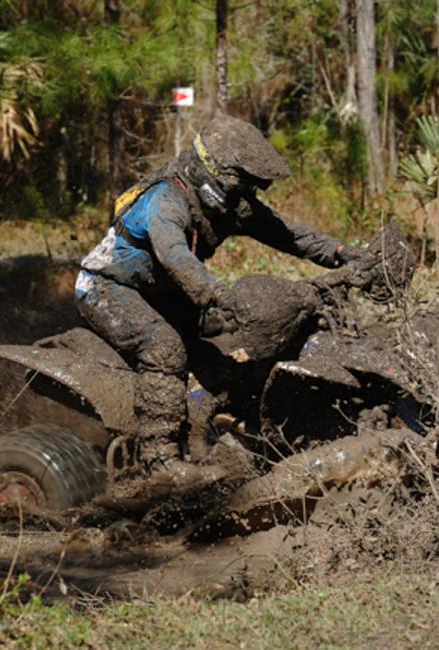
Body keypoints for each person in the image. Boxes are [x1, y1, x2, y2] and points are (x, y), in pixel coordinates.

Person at [74, 113, 363, 501]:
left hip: (163, 292)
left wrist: (344, 253)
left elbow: (289, 234)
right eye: (243, 185)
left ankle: (217, 430)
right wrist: (215, 293)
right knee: (164, 349)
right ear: (215, 174)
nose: (248, 195)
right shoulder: (165, 200)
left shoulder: (229, 204)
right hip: (107, 287)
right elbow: (174, 255)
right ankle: (160, 462)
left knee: (231, 343)